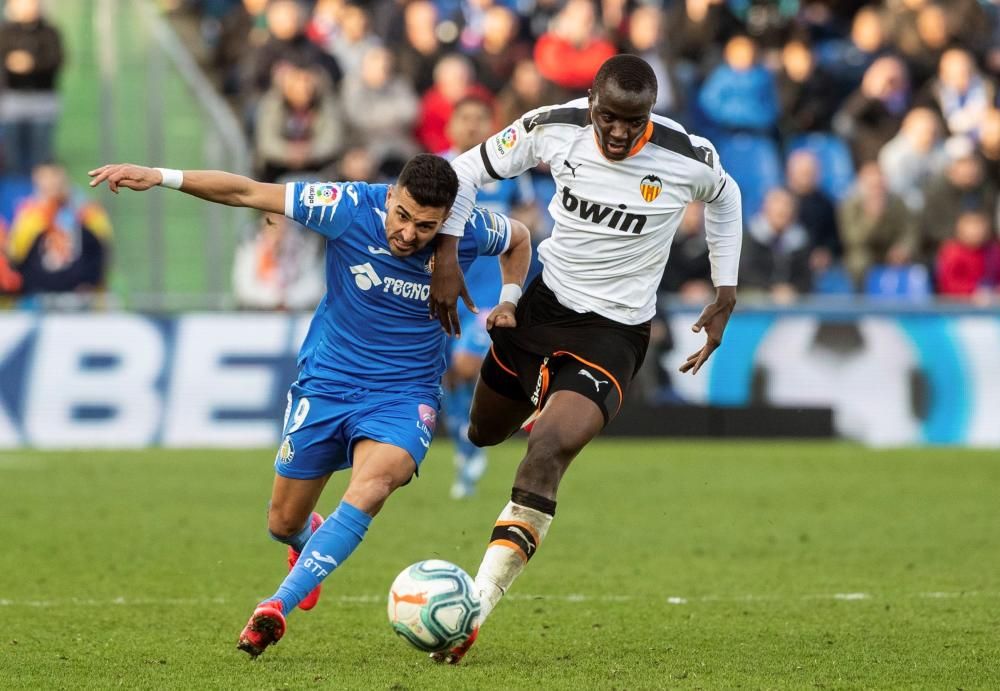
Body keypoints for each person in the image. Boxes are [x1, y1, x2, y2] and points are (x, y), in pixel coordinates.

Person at [87, 154, 532, 659]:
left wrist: (510, 299)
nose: (408, 234)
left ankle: (275, 607)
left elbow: (518, 238)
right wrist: (164, 176)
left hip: (405, 395)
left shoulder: (471, 231)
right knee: (281, 523)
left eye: (426, 226)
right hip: (327, 384)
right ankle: (305, 538)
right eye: (403, 216)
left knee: (373, 485)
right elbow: (247, 192)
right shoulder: (346, 206)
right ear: (391, 196)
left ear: (446, 221)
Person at [427, 54, 742, 663]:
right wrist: (446, 254)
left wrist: (725, 286)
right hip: (543, 309)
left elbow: (727, 198)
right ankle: (538, 401)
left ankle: (476, 606)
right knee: (483, 430)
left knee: (546, 450)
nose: (621, 131)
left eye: (635, 119)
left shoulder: (686, 155)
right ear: (591, 98)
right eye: (610, 116)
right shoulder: (553, 124)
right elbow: (463, 170)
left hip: (616, 335)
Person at [441, 94, 536, 499]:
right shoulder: (438, 169)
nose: (472, 126)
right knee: (444, 376)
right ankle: (465, 448)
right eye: (464, 118)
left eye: (481, 118)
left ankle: (471, 443)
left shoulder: (508, 170)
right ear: (451, 126)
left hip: (487, 290)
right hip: (443, 288)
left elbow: (532, 217)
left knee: (466, 365)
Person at [7, 161, 112, 295]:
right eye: (45, 180)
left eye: (54, 178)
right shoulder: (29, 215)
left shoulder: (88, 212)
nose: (51, 184)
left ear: (65, 179)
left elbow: (103, 251)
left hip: (84, 297)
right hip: (37, 298)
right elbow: (16, 256)